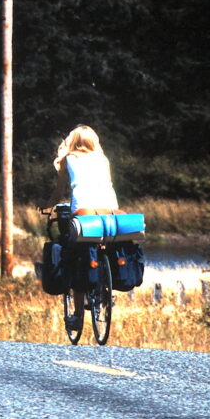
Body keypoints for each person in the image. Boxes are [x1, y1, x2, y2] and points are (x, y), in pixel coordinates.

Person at [44, 124, 120, 328]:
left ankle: (77, 315)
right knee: (105, 245)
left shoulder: (70, 159)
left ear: (73, 142)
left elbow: (60, 191)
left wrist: (47, 204)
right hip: (111, 212)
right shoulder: (103, 160)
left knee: (75, 258)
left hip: (84, 214)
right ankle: (105, 285)